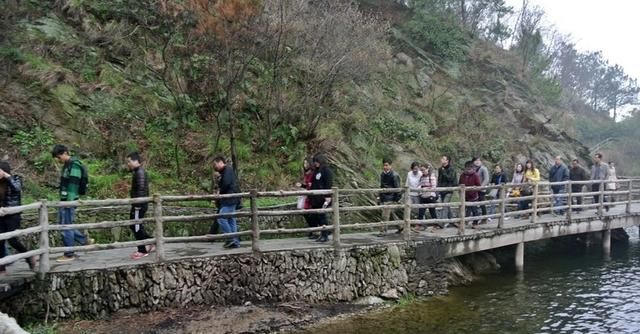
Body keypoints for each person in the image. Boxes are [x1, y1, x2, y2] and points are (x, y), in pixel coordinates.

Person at [51, 144, 92, 262]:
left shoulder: (74, 165)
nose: (58, 160)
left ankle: (69, 254)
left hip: (68, 201)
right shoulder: (67, 165)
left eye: (59, 157)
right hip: (64, 200)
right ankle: (84, 241)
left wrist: (68, 202)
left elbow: (73, 186)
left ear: (65, 153)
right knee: (63, 224)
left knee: (66, 226)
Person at [0, 161, 36, 273]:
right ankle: (2, 267)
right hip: (1, 215)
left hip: (13, 215)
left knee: (12, 240)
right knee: (0, 240)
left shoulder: (15, 179)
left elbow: (17, 189)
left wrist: (7, 176)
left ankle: (29, 257)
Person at [126, 152, 154, 260]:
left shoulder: (140, 173)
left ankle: (142, 250)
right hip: (138, 204)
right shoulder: (137, 172)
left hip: (139, 205)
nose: (128, 164)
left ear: (136, 161)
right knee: (134, 226)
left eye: (129, 161)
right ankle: (151, 241)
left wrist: (137, 204)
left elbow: (141, 190)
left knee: (136, 227)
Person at [213, 156, 241, 248]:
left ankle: (230, 238)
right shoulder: (225, 172)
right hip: (231, 198)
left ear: (221, 162)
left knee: (221, 218)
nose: (215, 167)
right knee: (230, 219)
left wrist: (220, 192)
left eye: (215, 164)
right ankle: (235, 242)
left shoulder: (227, 170)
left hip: (230, 198)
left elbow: (226, 183)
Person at [309, 154, 333, 243]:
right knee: (317, 216)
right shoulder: (316, 171)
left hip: (323, 197)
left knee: (322, 216)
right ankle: (322, 233)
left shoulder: (327, 171)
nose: (315, 163)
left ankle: (325, 234)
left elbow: (328, 183)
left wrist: (328, 196)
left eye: (316, 161)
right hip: (316, 197)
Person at [378, 158, 402, 235]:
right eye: (384, 165)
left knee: (385, 215)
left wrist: (397, 198)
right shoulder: (382, 174)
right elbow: (381, 185)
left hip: (391, 197)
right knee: (391, 213)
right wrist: (379, 196)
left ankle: (383, 231)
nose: (385, 167)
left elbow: (397, 187)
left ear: (390, 166)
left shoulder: (394, 175)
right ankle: (400, 226)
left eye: (386, 165)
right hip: (384, 196)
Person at [296, 157, 316, 239]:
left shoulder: (313, 174)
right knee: (305, 213)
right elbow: (307, 185)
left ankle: (314, 230)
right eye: (304, 163)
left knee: (310, 213)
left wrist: (306, 186)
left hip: (311, 195)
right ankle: (312, 229)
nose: (305, 165)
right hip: (306, 193)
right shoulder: (306, 173)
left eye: (306, 163)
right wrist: (302, 185)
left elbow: (312, 185)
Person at [459, 161, 481, 227]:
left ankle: (475, 223)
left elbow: (479, 185)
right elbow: (460, 184)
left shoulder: (475, 175)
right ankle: (464, 222)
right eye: (467, 169)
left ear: (473, 168)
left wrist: (474, 188)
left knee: (474, 210)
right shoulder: (462, 175)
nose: (468, 171)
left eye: (470, 169)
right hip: (465, 196)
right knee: (466, 209)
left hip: (473, 196)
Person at [418, 164, 439, 229]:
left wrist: (427, 189)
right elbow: (420, 185)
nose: (423, 171)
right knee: (421, 211)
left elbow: (434, 187)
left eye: (424, 170)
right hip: (423, 196)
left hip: (430, 196)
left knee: (432, 211)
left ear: (427, 169)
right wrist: (420, 192)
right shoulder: (421, 177)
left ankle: (435, 225)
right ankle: (419, 225)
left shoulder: (432, 177)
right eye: (421, 170)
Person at [437, 155, 457, 220]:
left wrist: (443, 172)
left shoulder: (451, 169)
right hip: (442, 190)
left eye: (443, 158)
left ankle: (442, 223)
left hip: (449, 189)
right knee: (446, 206)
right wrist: (438, 188)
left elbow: (450, 178)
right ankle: (452, 220)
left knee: (445, 205)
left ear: (447, 161)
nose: (441, 159)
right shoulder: (440, 169)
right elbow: (439, 179)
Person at [473, 157, 490, 223]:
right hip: (475, 189)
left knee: (482, 204)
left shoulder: (483, 169)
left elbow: (486, 179)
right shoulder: (474, 169)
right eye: (476, 160)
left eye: (478, 160)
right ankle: (476, 219)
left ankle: (484, 218)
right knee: (474, 204)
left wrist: (481, 187)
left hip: (482, 189)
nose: (477, 162)